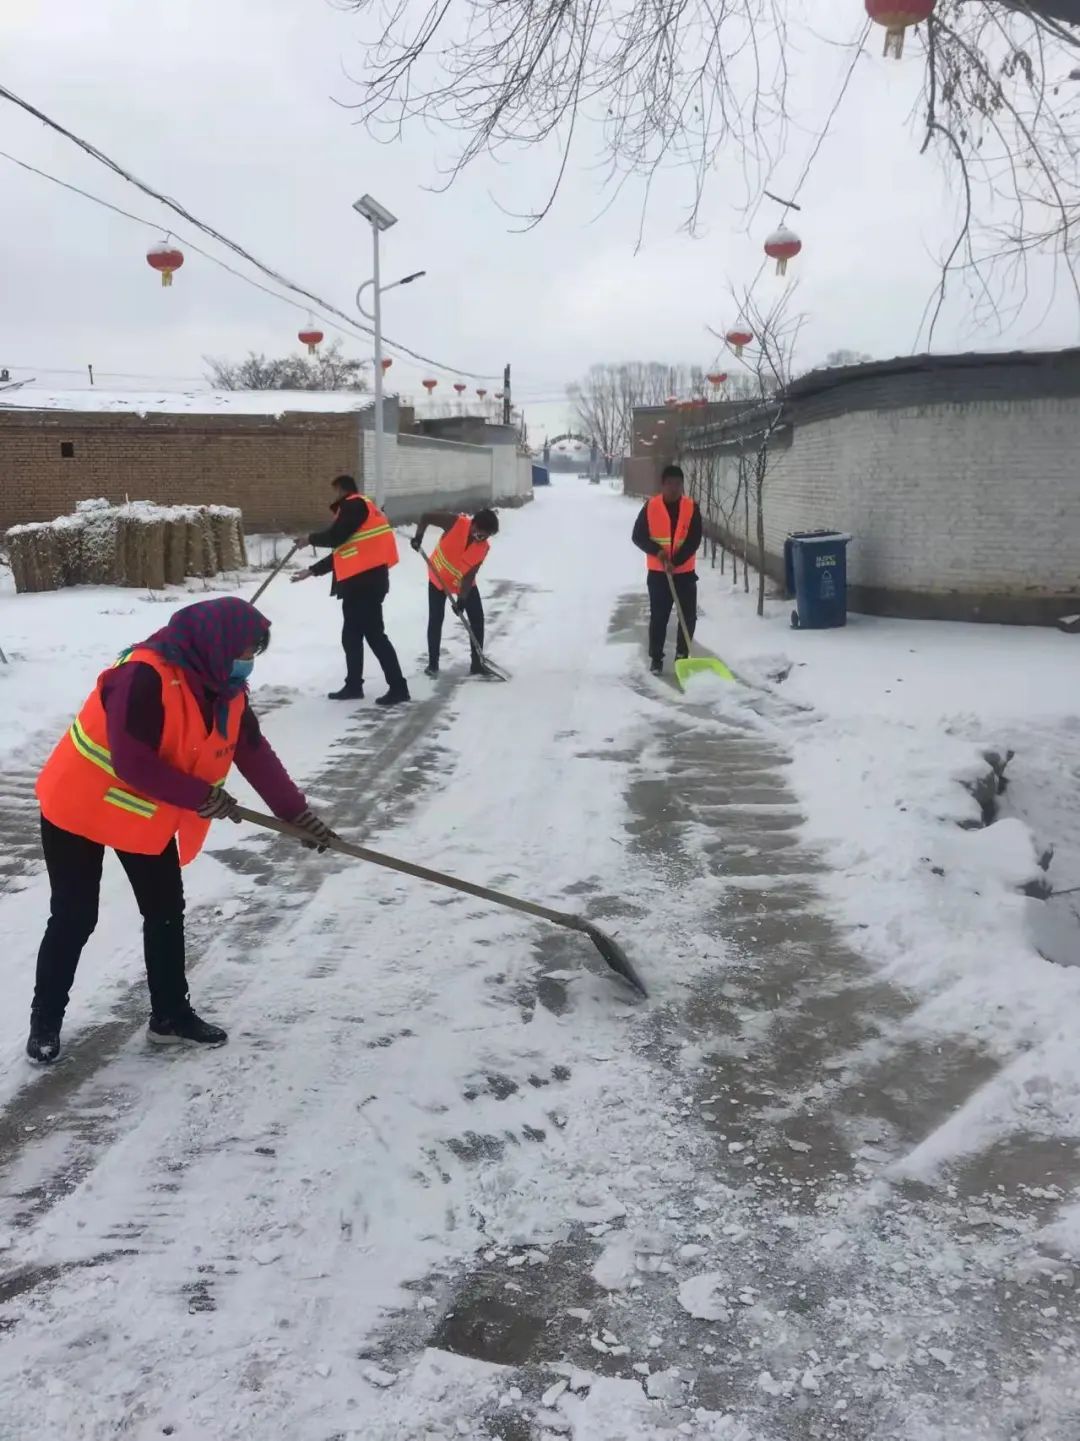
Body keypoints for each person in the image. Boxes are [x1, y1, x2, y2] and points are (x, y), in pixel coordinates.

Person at [27, 597, 335, 1066]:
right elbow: (132, 761)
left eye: (254, 653)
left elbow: (251, 751)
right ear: (217, 644)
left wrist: (296, 814)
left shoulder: (223, 689)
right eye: (245, 651)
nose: (247, 663)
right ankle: (45, 1022)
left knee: (165, 912)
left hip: (141, 813)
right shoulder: (144, 675)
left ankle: (170, 1017)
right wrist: (198, 795)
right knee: (75, 915)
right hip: (79, 805)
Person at [291, 475, 409, 706]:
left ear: (341, 490)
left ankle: (398, 687)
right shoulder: (362, 509)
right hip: (362, 583)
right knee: (352, 636)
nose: (334, 498)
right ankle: (354, 685)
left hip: (365, 584)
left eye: (335, 492)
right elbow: (346, 551)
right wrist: (312, 571)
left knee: (374, 635)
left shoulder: (353, 504)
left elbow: (336, 537)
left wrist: (309, 539)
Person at [410, 508, 500, 677]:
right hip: (438, 578)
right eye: (480, 534)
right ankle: (433, 664)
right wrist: (419, 537)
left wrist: (462, 600)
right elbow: (426, 515)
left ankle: (477, 663)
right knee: (436, 618)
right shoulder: (455, 523)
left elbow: (470, 575)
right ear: (474, 524)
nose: (482, 539)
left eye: (486, 536)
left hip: (461, 583)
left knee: (477, 619)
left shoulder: (483, 547)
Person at [632, 463, 703, 674]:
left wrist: (677, 561)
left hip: (685, 575)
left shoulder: (691, 507)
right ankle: (656, 658)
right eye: (670, 484)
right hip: (658, 575)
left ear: (682, 486)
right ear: (663, 485)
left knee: (687, 617)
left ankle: (682, 656)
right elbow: (638, 536)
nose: (674, 488)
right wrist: (658, 552)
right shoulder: (651, 507)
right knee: (659, 617)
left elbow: (694, 540)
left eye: (678, 484)